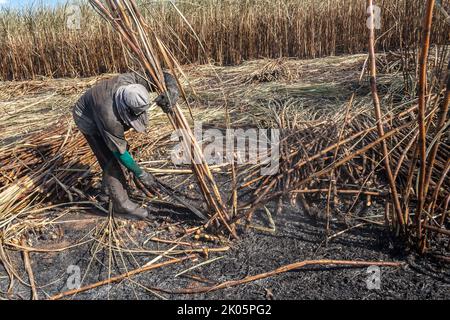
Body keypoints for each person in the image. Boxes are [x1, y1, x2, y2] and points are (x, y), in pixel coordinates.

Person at [72, 71, 179, 219]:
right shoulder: (110, 118)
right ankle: (121, 206)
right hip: (86, 116)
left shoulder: (131, 80)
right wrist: (140, 173)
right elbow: (119, 153)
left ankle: (106, 191)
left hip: (98, 102)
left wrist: (172, 90)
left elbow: (162, 74)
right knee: (110, 161)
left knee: (120, 151)